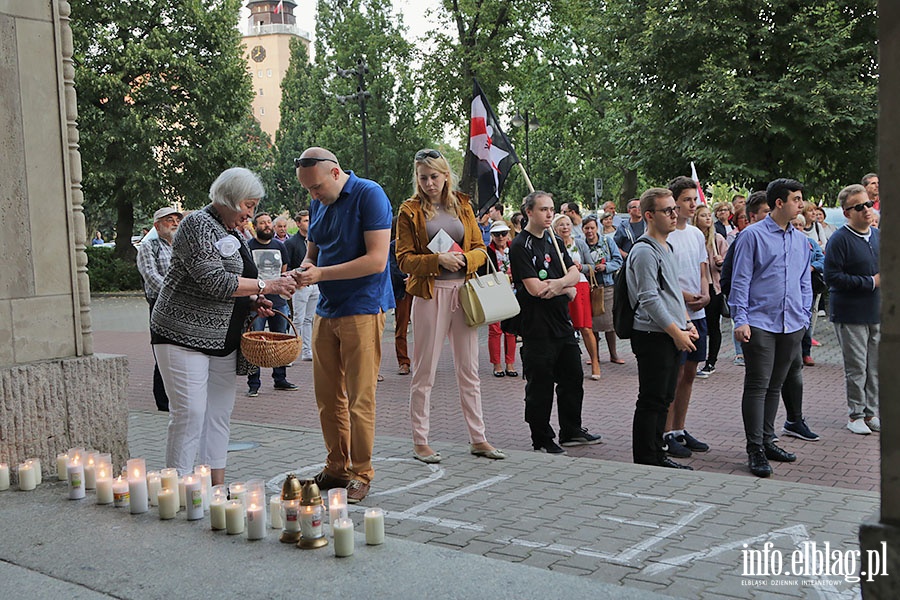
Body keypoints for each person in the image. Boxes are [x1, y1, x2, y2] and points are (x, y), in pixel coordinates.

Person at [151, 167, 296, 485]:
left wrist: (253, 300)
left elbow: (236, 283)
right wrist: (267, 286)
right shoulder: (196, 224)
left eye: (254, 207)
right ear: (228, 199)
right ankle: (180, 489)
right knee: (190, 414)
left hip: (224, 338)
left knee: (218, 415)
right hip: (181, 334)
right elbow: (215, 281)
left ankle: (215, 488)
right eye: (248, 205)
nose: (251, 214)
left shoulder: (235, 232)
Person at [291, 147, 394, 504]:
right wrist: (305, 268)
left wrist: (320, 274)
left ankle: (361, 473)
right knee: (327, 396)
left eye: (316, 187)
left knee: (359, 398)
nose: (313, 196)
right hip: (328, 307)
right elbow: (313, 251)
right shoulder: (321, 201)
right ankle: (336, 467)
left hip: (363, 307)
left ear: (335, 173)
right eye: (308, 190)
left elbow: (376, 261)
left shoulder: (370, 194)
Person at [395, 149, 504, 463]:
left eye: (434, 176)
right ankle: (420, 440)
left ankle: (478, 438)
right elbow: (403, 259)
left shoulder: (463, 205)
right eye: (423, 177)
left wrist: (465, 259)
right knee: (424, 371)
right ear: (417, 178)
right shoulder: (410, 210)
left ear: (445, 175)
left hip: (465, 292)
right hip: (430, 295)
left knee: (469, 370)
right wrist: (436, 260)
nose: (429, 183)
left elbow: (481, 250)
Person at [721, 192, 819, 444]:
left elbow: (803, 281)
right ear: (779, 203)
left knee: (775, 385)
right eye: (796, 199)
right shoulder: (752, 235)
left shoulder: (800, 239)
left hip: (792, 323)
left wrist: (804, 316)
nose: (801, 204)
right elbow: (739, 279)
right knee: (758, 385)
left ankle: (767, 440)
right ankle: (755, 448)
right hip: (759, 322)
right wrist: (740, 319)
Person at [509, 191, 601, 454]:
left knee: (572, 377)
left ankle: (571, 429)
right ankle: (541, 437)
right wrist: (566, 287)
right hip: (537, 326)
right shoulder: (520, 246)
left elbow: (574, 271)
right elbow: (536, 289)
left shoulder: (554, 240)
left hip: (562, 322)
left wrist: (560, 284)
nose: (549, 214)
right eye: (543, 210)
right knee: (540, 384)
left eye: (551, 209)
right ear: (529, 212)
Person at [627, 188, 698, 469]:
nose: (674, 215)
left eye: (674, 209)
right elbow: (649, 297)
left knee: (665, 396)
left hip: (668, 332)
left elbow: (672, 294)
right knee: (652, 398)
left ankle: (657, 452)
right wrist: (675, 331)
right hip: (652, 334)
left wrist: (687, 323)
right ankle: (647, 457)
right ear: (649, 216)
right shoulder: (645, 250)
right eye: (667, 211)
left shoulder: (666, 247)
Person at [660, 176, 710, 459]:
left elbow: (702, 269)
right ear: (674, 203)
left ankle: (680, 428)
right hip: (677, 313)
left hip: (698, 312)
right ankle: (666, 432)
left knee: (690, 372)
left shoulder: (695, 234)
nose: (693, 205)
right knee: (675, 374)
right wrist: (686, 297)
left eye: (695, 200)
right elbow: (664, 280)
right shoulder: (668, 236)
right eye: (687, 200)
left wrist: (705, 293)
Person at [825, 184, 881, 435]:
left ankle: (871, 412)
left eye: (868, 204)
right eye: (859, 207)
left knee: (875, 365)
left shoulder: (878, 236)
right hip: (851, 313)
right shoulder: (839, 239)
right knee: (857, 366)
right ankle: (855, 414)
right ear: (847, 212)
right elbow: (832, 277)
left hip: (877, 311)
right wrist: (870, 282)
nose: (866, 210)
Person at [245, 212, 297, 396]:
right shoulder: (248, 246)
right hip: (256, 302)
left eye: (269, 222)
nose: (267, 226)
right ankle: (253, 383)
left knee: (280, 340)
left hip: (279, 302)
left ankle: (280, 378)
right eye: (262, 223)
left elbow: (284, 271)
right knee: (254, 341)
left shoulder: (280, 247)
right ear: (255, 226)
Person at [136, 206, 182, 412]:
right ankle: (163, 405)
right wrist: (174, 295)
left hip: (184, 306)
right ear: (157, 225)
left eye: (177, 219)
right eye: (168, 220)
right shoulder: (148, 246)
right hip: (161, 306)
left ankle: (180, 398)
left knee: (183, 354)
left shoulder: (183, 246)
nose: (174, 223)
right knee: (164, 354)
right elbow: (151, 276)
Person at [553, 213, 601, 380]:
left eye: (567, 224)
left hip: (580, 286)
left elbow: (592, 266)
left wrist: (580, 267)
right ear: (555, 228)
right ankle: (562, 363)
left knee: (585, 326)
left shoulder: (579, 244)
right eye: (561, 225)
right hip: (562, 287)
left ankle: (595, 362)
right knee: (563, 327)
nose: (565, 227)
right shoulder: (553, 245)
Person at [583, 214, 624, 364]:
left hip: (607, 287)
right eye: (586, 228)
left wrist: (606, 267)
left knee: (609, 324)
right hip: (589, 288)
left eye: (592, 227)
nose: (589, 231)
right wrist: (589, 269)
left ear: (597, 228)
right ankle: (595, 356)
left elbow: (618, 261)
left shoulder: (607, 242)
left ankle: (614, 354)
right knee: (591, 324)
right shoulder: (581, 245)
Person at [693, 203, 727, 379]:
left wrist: (721, 263)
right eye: (702, 215)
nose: (707, 218)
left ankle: (711, 361)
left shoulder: (718, 240)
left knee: (713, 325)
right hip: (694, 288)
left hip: (713, 288)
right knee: (697, 325)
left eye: (708, 215)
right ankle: (693, 358)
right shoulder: (691, 238)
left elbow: (729, 265)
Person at [485, 220, 518, 377]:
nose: (500, 237)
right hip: (494, 293)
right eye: (497, 234)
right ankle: (497, 364)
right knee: (495, 330)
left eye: (503, 233)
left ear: (508, 234)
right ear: (492, 235)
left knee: (511, 330)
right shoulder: (486, 252)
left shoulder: (515, 249)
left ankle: (510, 363)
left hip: (513, 293)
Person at [284, 210, 318, 362]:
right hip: (300, 286)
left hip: (315, 285)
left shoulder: (315, 240)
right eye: (305, 221)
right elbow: (288, 266)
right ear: (298, 223)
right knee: (297, 319)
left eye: (310, 220)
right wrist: (296, 280)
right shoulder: (291, 243)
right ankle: (290, 353)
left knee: (309, 319)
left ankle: (306, 350)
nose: (308, 223)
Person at [388, 218, 411, 375]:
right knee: (401, 327)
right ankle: (403, 362)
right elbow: (391, 267)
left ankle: (426, 361)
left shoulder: (418, 244)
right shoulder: (392, 246)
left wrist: (416, 277)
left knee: (427, 327)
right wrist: (406, 278)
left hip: (420, 288)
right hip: (403, 290)